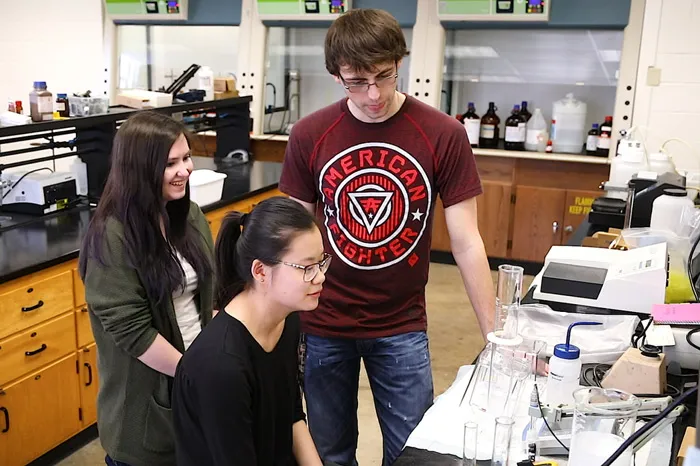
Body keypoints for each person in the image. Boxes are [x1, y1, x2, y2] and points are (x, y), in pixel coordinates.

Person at [279, 8, 496, 466]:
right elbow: (290, 237)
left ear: (400, 61)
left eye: (384, 76)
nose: (373, 94)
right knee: (330, 454)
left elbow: (467, 242)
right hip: (322, 324)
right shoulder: (309, 135)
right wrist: (275, 323)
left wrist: (495, 337)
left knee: (414, 455)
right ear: (336, 74)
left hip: (400, 325)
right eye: (357, 80)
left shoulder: (443, 134)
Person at [79, 111, 215, 466]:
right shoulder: (112, 235)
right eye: (171, 163)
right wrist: (193, 375)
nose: (185, 170)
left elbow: (210, 296)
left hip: (197, 387)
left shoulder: (191, 216)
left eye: (186, 158)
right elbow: (132, 331)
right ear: (140, 169)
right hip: (148, 411)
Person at [172, 197, 328, 466]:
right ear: (260, 271)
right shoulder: (221, 366)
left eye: (321, 263)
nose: (320, 277)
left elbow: (291, 414)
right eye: (307, 268)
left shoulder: (286, 319)